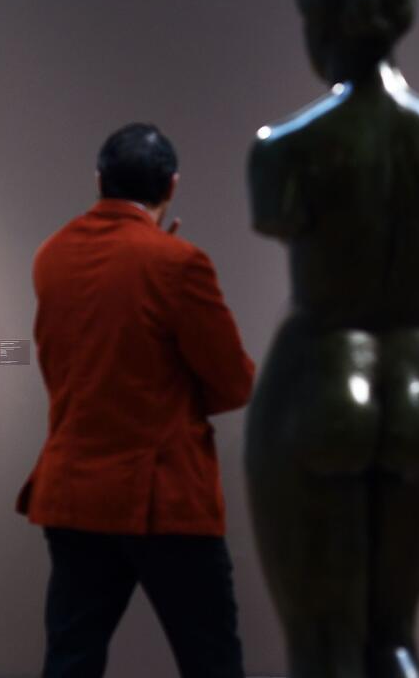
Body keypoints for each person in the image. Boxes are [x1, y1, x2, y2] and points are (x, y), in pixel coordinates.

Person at [245, 0, 419, 678]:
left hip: (322, 368)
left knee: (319, 646)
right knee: (393, 637)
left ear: (318, 24)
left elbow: (278, 216)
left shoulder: (286, 148)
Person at [16, 123, 255, 678]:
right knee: (211, 660)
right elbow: (234, 383)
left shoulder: (50, 256)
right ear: (171, 185)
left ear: (98, 180)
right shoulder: (178, 263)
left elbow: (92, 362)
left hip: (73, 491)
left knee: (71, 658)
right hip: (160, 495)